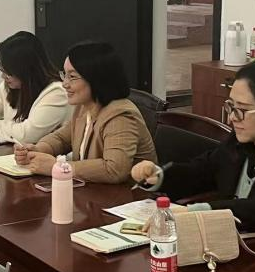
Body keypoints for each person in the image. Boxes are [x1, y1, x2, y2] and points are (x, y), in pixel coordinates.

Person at [131, 58, 255, 243]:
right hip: (238, 246)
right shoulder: (241, 143)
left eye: (242, 110)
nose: (232, 118)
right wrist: (159, 176)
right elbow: (201, 171)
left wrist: (198, 212)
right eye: (231, 106)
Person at [14, 41, 157, 184]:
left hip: (126, 195)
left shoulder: (120, 116)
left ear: (96, 78)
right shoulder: (84, 107)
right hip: (93, 191)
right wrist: (38, 149)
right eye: (65, 75)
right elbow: (61, 138)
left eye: (72, 77)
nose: (64, 84)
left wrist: (57, 167)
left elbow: (114, 170)